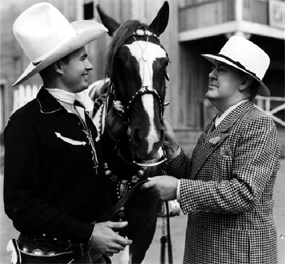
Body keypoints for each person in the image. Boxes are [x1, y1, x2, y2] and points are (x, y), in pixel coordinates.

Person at [4, 3, 132, 264]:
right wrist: (88, 233)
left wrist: (110, 138)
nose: (91, 67)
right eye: (83, 59)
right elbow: (20, 205)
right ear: (60, 66)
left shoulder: (81, 115)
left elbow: (84, 175)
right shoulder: (26, 122)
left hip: (85, 256)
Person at [142, 35, 281, 264]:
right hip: (205, 252)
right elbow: (198, 176)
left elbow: (243, 192)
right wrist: (173, 147)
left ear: (244, 82)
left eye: (222, 69)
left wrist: (178, 189)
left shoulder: (258, 124)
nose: (211, 74)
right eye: (213, 67)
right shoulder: (218, 123)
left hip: (236, 256)